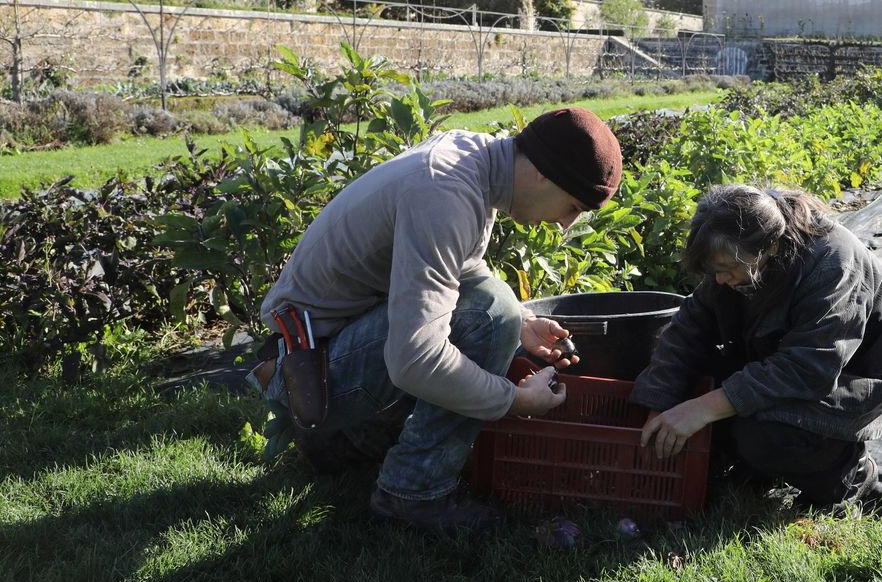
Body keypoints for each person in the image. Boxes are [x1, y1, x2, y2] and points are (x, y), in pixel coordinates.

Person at [248, 107, 623, 533]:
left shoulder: (472, 162)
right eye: (572, 205)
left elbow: (459, 267)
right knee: (487, 314)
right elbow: (415, 359)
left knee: (499, 309)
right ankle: (410, 494)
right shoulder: (443, 193)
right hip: (306, 372)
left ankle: (348, 442)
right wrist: (513, 400)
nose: (565, 223)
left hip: (319, 353)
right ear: (541, 173)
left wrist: (521, 320)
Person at [631, 184, 882, 507]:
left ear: (770, 246)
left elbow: (808, 369)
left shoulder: (833, 265)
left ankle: (847, 473)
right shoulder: (738, 252)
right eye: (715, 272)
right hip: (775, 358)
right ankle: (756, 466)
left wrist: (701, 408)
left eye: (726, 271)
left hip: (847, 383)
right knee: (705, 397)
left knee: (761, 436)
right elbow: (687, 330)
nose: (720, 280)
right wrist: (660, 405)